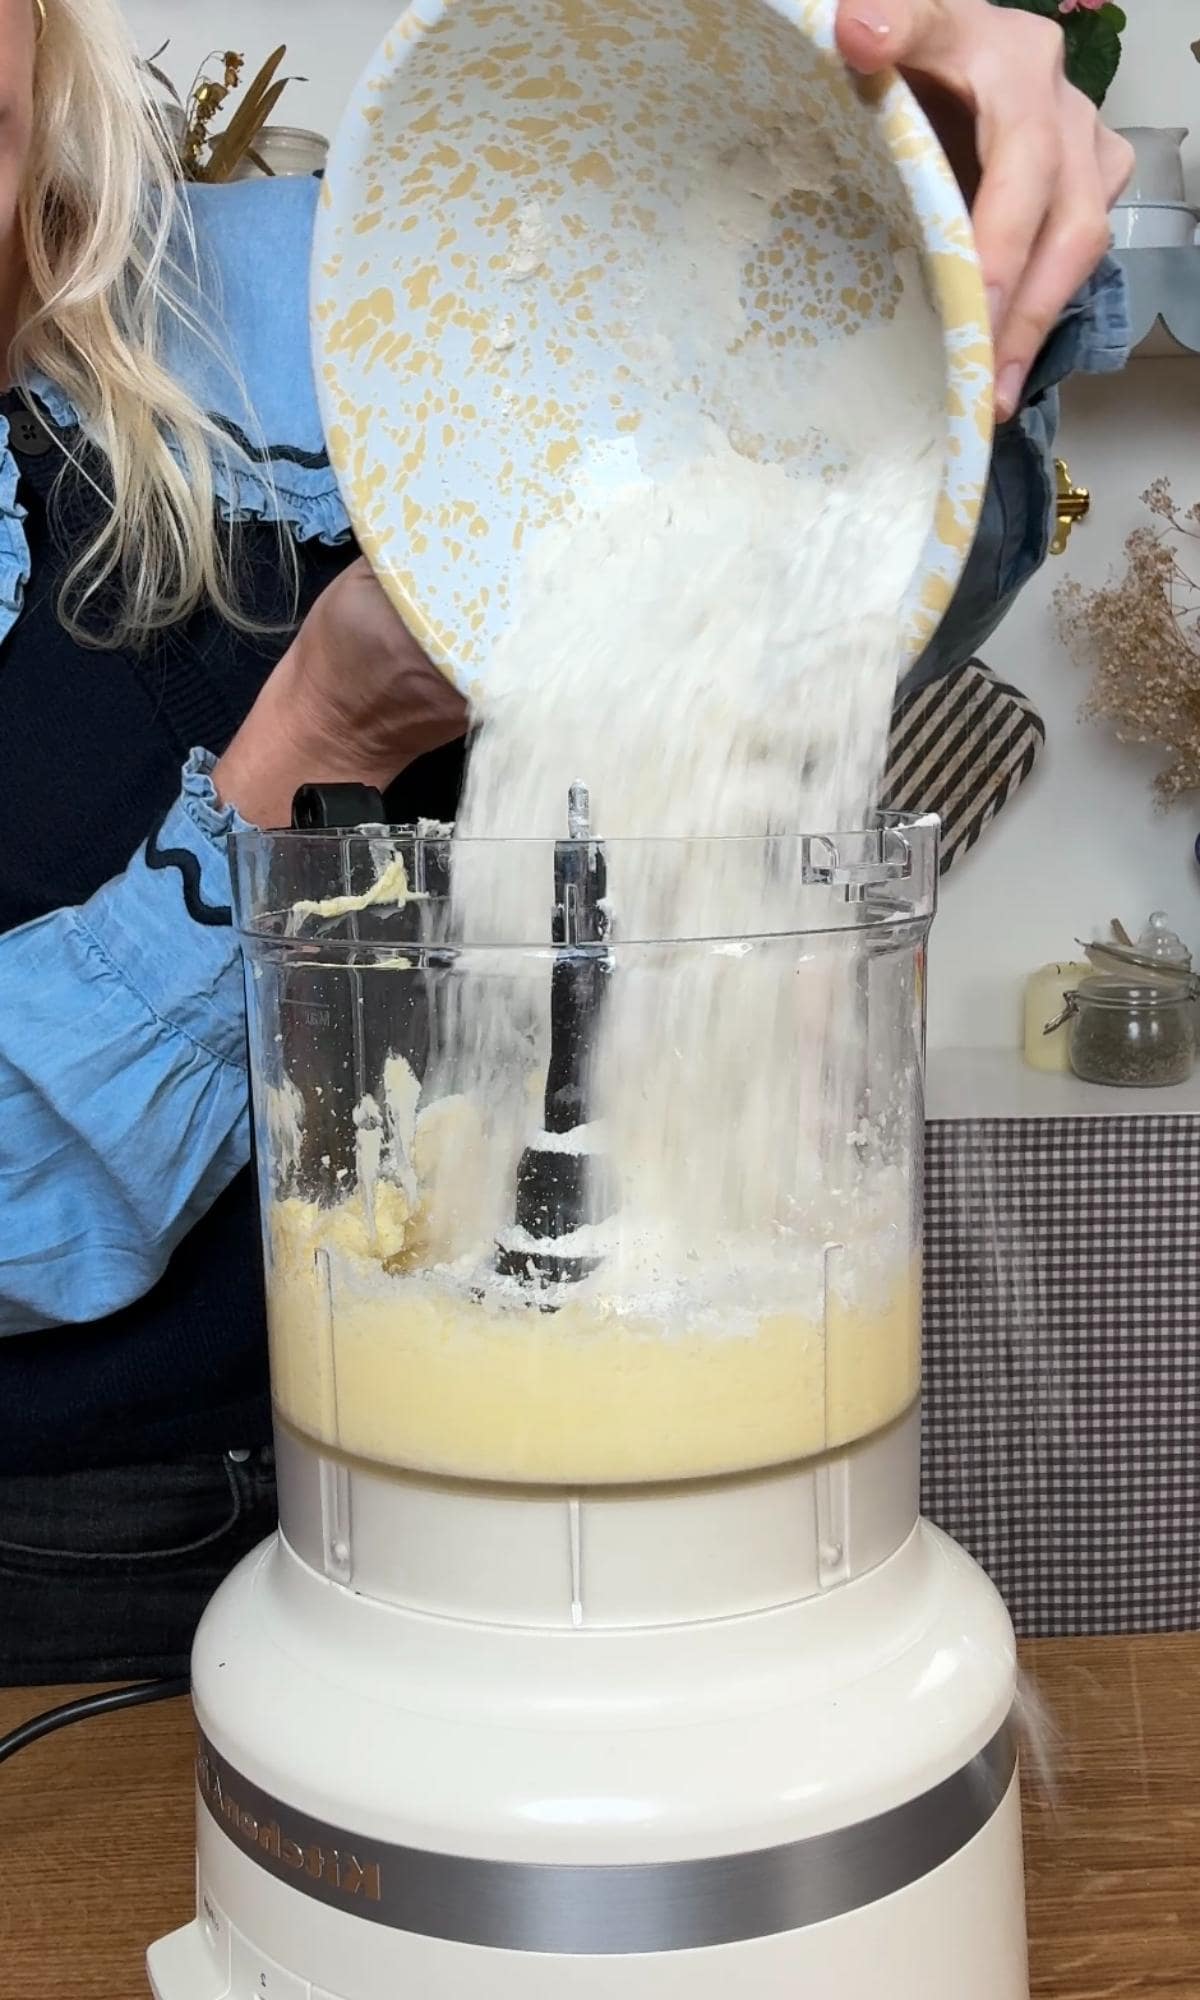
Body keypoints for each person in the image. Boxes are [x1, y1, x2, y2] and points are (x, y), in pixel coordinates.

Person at [0, 0, 1129, 1685]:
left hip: (562, 1438)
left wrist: (945, 207)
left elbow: (844, 548)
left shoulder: (330, 281)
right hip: (73, 1561)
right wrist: (318, 739)